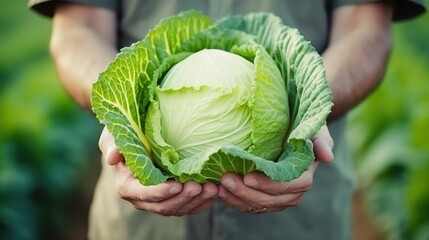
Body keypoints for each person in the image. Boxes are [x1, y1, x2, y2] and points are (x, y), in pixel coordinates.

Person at [29, 1, 425, 239]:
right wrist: (123, 121)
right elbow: (77, 28)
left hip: (300, 219)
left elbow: (366, 29)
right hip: (140, 224)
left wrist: (311, 106)